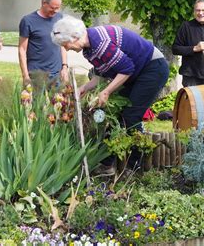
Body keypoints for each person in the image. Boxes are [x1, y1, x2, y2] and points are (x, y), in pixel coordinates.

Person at [51, 16, 169, 170]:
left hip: (152, 68)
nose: (66, 49)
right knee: (118, 115)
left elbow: (126, 69)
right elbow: (102, 74)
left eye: (65, 44)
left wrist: (106, 92)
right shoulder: (88, 49)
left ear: (74, 37)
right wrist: (84, 88)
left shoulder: (100, 44)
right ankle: (107, 164)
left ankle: (135, 165)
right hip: (137, 71)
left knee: (131, 116)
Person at [18, 0, 68, 86]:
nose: (55, 11)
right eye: (52, 8)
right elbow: (22, 49)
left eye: (58, 8)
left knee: (59, 100)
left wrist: (64, 66)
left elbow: (62, 44)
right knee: (36, 101)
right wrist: (25, 75)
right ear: (44, 3)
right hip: (36, 74)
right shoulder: (28, 21)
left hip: (56, 73)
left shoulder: (59, 18)